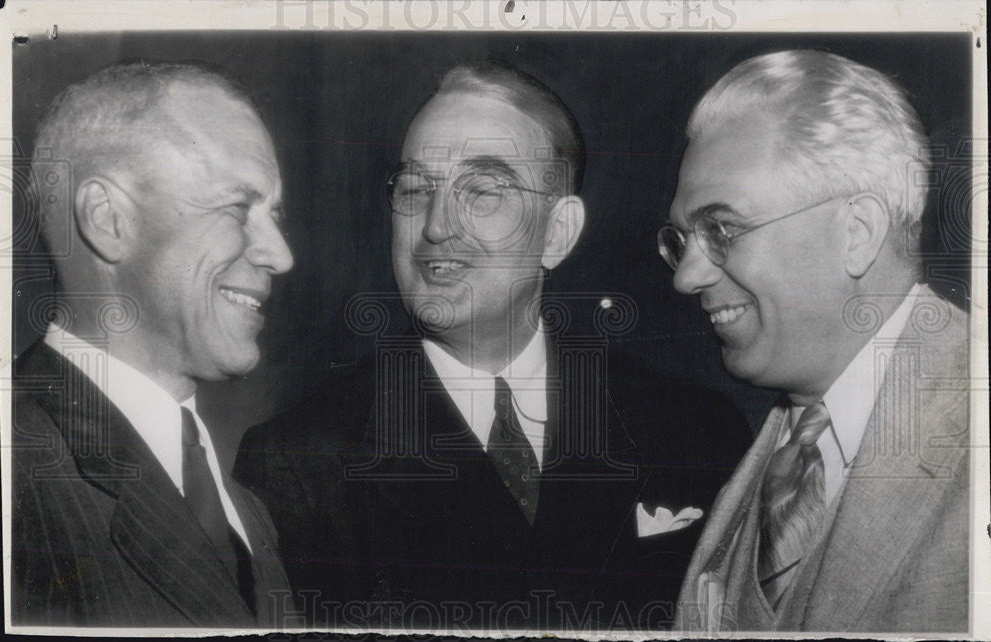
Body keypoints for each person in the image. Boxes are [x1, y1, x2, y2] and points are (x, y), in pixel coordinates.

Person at [236, 60, 749, 631]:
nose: (435, 226)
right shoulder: (297, 464)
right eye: (415, 189)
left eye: (482, 190)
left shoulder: (694, 428)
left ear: (557, 232)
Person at [659, 50, 969, 632]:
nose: (685, 276)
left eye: (721, 230)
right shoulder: (771, 458)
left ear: (858, 232)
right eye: (681, 240)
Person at [11, 61, 295, 627]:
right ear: (109, 219)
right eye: (238, 208)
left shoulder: (248, 512)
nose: (280, 255)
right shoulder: (15, 474)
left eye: (276, 214)